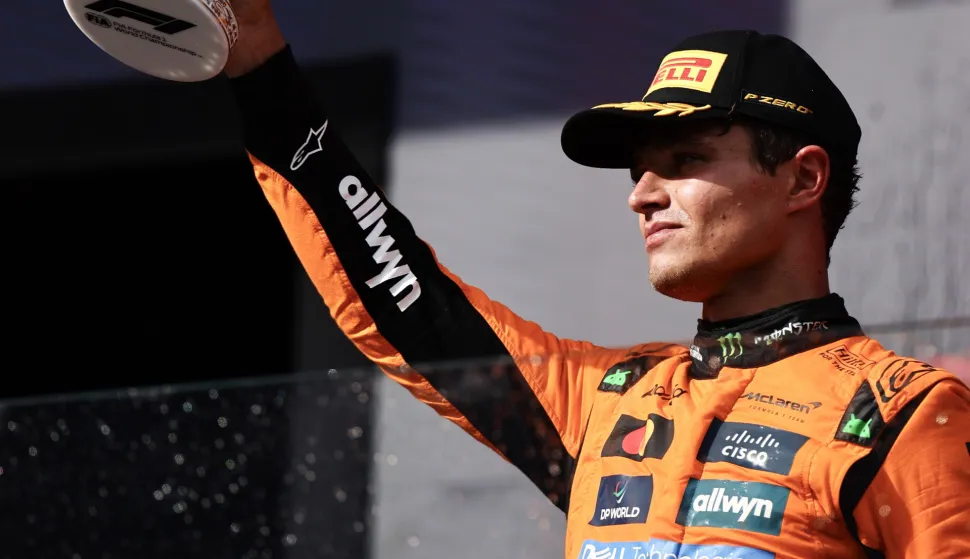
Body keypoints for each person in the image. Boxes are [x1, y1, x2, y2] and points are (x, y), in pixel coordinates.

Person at [221, 1, 970, 558]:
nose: (642, 193)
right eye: (641, 168)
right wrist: (262, 72)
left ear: (803, 178)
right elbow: (410, 304)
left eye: (684, 161)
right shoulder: (606, 399)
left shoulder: (905, 415)